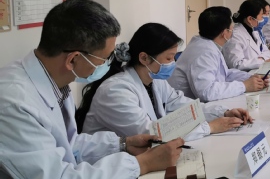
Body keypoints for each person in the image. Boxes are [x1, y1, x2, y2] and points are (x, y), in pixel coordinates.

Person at [0, 0, 183, 179]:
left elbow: (69, 147)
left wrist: (122, 144)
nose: (109, 64)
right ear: (73, 59)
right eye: (104, 59)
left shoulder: (50, 82)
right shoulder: (13, 101)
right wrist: (141, 165)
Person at [77, 23, 252, 140]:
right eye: (168, 58)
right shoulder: (116, 91)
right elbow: (150, 134)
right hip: (108, 167)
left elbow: (184, 107)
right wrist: (210, 128)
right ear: (144, 58)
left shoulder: (154, 80)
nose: (172, 63)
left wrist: (223, 112)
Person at [168, 6, 268, 102]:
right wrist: (244, 86)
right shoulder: (204, 53)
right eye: (232, 29)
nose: (233, 32)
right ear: (224, 33)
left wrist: (250, 78)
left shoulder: (208, 44)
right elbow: (206, 92)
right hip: (186, 108)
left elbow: (224, 74)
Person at [223, 0, 270, 71]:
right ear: (250, 19)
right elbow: (236, 64)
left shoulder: (254, 31)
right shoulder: (235, 35)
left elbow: (266, 51)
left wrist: (262, 59)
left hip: (258, 70)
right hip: (245, 75)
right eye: (261, 16)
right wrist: (262, 61)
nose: (263, 19)